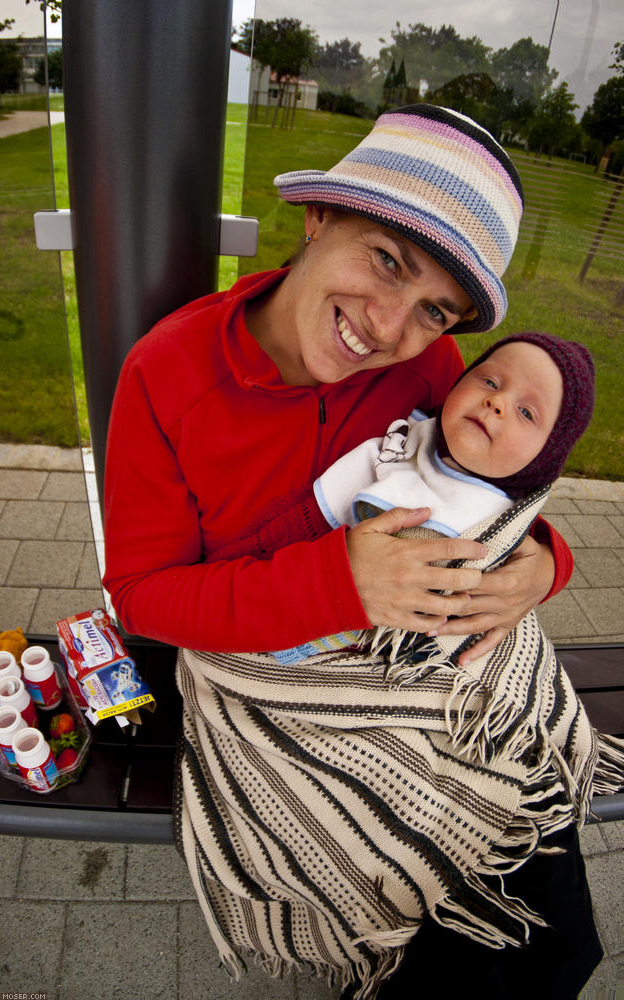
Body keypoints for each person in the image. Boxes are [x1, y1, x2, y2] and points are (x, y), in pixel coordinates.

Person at [102, 106, 616, 998]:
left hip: (438, 684)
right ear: (317, 217)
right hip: (278, 694)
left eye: (433, 311)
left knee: (561, 944)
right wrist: (337, 582)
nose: (384, 327)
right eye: (386, 259)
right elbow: (141, 596)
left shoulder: (423, 373)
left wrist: (542, 563)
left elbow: (486, 482)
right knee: (458, 926)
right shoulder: (168, 373)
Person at [273, 330, 594, 664]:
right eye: (490, 382)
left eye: (527, 412)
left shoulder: (492, 520)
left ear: (544, 459)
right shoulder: (414, 436)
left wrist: (551, 564)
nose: (496, 403)